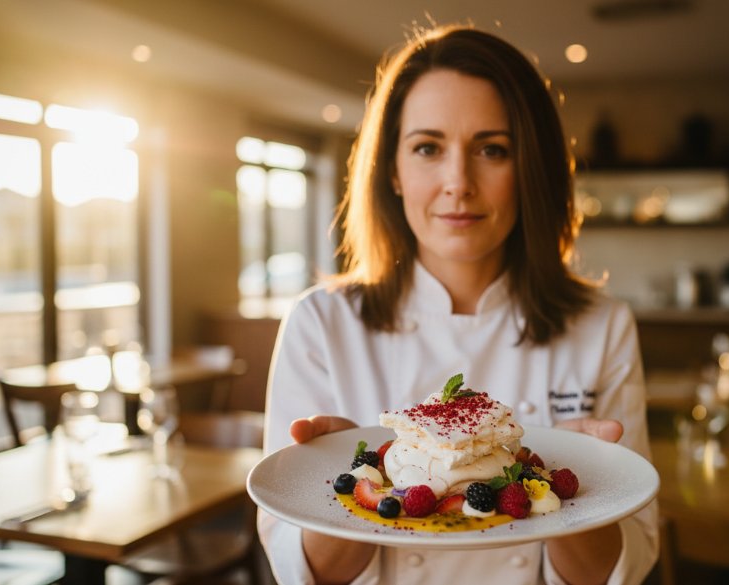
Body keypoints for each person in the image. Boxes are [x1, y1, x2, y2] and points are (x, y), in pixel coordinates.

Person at [259, 24, 658, 585]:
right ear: (392, 171)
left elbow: (627, 563)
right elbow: (301, 571)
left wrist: (587, 488)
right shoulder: (320, 323)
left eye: (492, 149)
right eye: (427, 147)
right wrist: (348, 485)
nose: (458, 182)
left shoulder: (602, 325)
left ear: (530, 171)